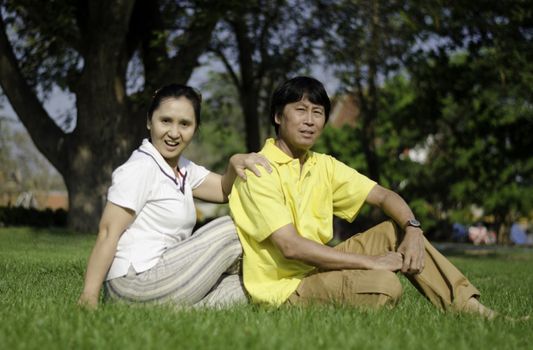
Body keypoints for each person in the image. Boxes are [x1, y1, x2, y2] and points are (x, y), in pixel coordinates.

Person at [228, 76, 498, 318]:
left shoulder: (322, 165)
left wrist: (414, 230)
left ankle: (472, 310)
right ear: (278, 117)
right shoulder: (258, 169)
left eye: (317, 112)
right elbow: (291, 247)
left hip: (317, 269)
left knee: (397, 230)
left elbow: (383, 196)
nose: (309, 121)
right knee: (385, 285)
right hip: (286, 290)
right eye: (300, 110)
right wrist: (371, 262)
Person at [78, 83, 270, 309]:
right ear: (150, 121)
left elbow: (222, 190)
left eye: (185, 124)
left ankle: (179, 313)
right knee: (233, 230)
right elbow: (108, 232)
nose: (174, 133)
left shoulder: (183, 169)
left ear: (195, 129)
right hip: (133, 283)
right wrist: (89, 296)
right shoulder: (140, 168)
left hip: (168, 277)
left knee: (250, 287)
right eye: (165, 121)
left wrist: (234, 162)